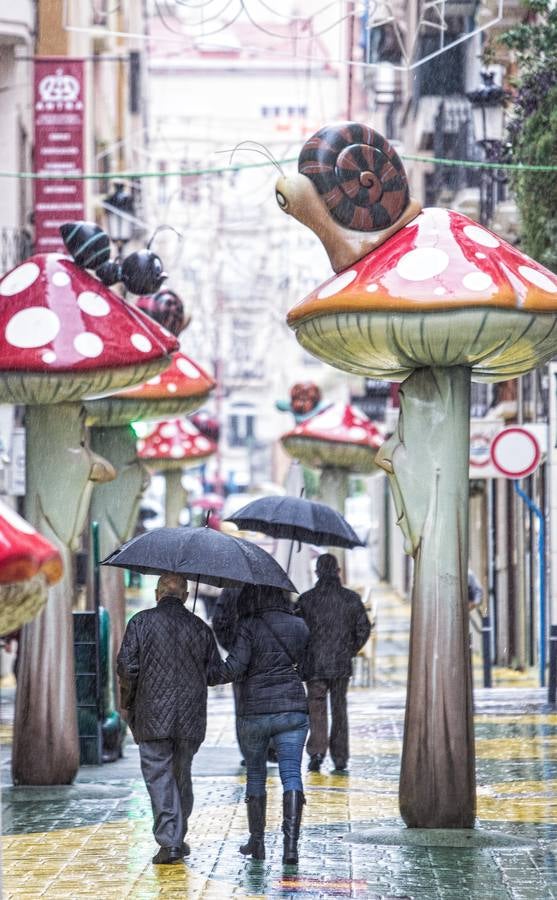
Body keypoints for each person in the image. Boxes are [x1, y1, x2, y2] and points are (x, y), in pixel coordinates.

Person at [117, 573, 223, 865]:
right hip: (190, 718)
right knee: (180, 774)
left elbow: (126, 666)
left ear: (157, 593)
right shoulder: (201, 628)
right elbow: (215, 674)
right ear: (186, 596)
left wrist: (131, 700)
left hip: (151, 715)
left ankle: (170, 841)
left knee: (159, 777)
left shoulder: (140, 622)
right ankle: (177, 835)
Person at [220, 584, 310, 865]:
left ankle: (257, 843)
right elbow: (307, 669)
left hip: (254, 711)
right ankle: (290, 848)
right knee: (292, 775)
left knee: (256, 776)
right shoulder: (300, 625)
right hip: (293, 710)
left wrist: (208, 669)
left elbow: (234, 669)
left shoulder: (247, 625)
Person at [296, 553, 371, 774]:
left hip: (314, 664)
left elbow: (297, 630)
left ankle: (317, 752)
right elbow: (364, 629)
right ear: (338, 571)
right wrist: (350, 649)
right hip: (340, 663)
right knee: (339, 709)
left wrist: (304, 652)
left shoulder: (306, 600)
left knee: (316, 707)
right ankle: (340, 757)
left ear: (317, 572)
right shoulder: (351, 599)